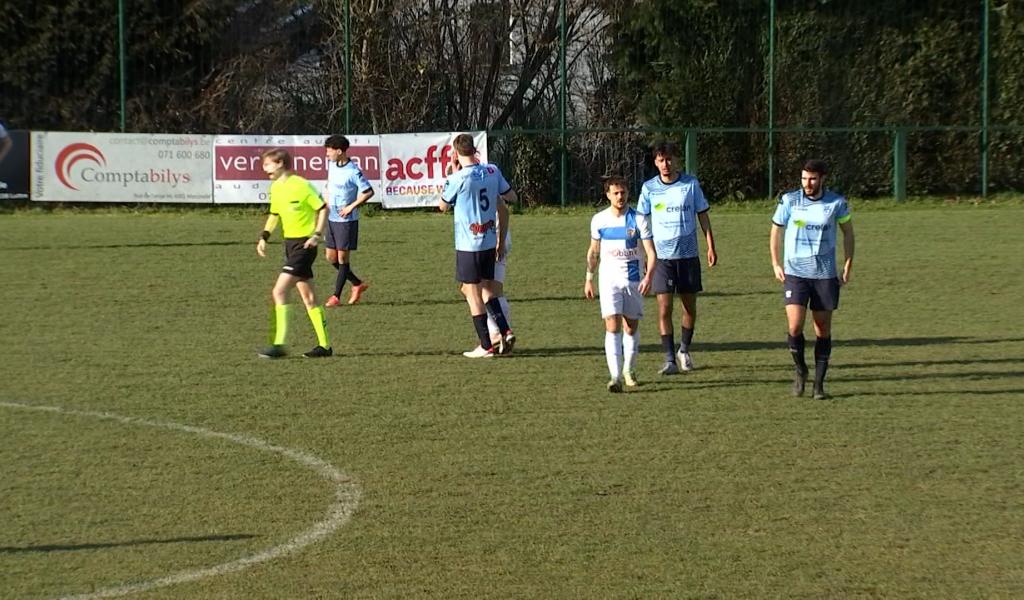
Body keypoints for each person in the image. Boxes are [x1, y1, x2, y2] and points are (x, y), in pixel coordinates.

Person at [770, 159, 854, 399]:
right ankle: (800, 370)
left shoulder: (836, 203)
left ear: (822, 179)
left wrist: (847, 264)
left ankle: (819, 384)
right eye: (805, 178)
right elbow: (776, 230)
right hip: (795, 273)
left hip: (824, 274)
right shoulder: (789, 201)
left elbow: (848, 233)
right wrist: (776, 263)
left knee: (822, 328)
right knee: (795, 326)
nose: (808, 183)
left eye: (813, 179)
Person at [636, 141, 717, 376]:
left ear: (676, 160)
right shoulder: (649, 189)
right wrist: (646, 252)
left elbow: (703, 216)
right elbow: (642, 220)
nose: (665, 164)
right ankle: (670, 359)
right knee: (664, 308)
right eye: (661, 160)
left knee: (689, 307)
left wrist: (711, 246)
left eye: (669, 159)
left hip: (689, 255)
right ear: (655, 162)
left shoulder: (690, 185)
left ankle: (684, 349)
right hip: (662, 258)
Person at [438, 134, 515, 358]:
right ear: (475, 150)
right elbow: (510, 195)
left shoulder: (458, 178)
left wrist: (452, 175)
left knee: (472, 294)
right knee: (487, 290)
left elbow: (442, 206)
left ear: (455, 153)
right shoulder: (492, 170)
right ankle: (505, 330)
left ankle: (486, 345)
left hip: (468, 243)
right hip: (490, 240)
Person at [255, 148, 332, 359]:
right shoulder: (276, 188)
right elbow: (274, 214)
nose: (265, 169)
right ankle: (324, 346)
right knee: (309, 298)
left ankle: (279, 344)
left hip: (305, 247)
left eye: (267, 164)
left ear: (280, 163)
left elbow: (324, 208)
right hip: (289, 246)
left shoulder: (301, 185)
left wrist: (317, 234)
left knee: (279, 291)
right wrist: (264, 236)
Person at [585, 176, 656, 392]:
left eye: (623, 192)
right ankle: (615, 377)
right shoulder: (599, 220)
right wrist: (589, 278)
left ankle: (628, 369)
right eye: (615, 193)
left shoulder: (639, 219)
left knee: (630, 327)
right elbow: (594, 251)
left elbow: (651, 253)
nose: (620, 197)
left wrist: (648, 277)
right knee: (612, 325)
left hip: (633, 280)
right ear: (607, 195)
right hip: (608, 281)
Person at [322, 134, 373, 306]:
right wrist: (326, 200)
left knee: (343, 259)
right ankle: (358, 283)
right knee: (331, 257)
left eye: (329, 151)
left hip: (346, 221)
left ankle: (336, 296)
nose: (327, 155)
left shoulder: (353, 171)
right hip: (332, 218)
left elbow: (368, 192)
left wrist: (351, 207)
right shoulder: (332, 165)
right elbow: (329, 185)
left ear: (339, 151)